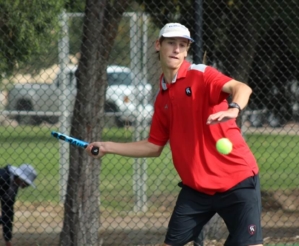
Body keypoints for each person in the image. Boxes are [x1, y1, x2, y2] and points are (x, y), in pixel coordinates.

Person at [86, 22, 263, 246]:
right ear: (158, 45)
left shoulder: (201, 75)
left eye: (183, 45)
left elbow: (242, 88)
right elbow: (153, 146)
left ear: (187, 50)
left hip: (237, 181)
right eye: (171, 43)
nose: (177, 49)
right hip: (197, 190)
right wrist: (107, 147)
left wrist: (233, 108)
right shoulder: (162, 97)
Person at [0, 164, 37, 246]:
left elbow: (8, 211)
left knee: (6, 216)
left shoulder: (13, 186)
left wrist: (7, 239)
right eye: (26, 183)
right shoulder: (3, 177)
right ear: (21, 178)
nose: (26, 186)